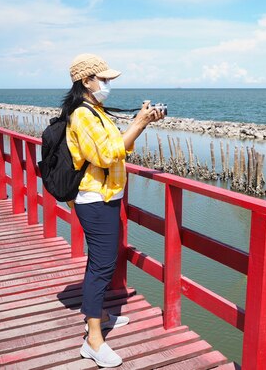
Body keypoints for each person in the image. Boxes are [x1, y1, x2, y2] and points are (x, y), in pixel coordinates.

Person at [62, 53, 164, 367]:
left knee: (101, 259)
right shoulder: (83, 115)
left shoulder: (95, 110)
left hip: (105, 196)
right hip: (94, 199)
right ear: (85, 82)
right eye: (103, 79)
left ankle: (101, 313)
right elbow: (107, 156)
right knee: (102, 266)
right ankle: (93, 340)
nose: (108, 84)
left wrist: (140, 124)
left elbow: (118, 145)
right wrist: (140, 123)